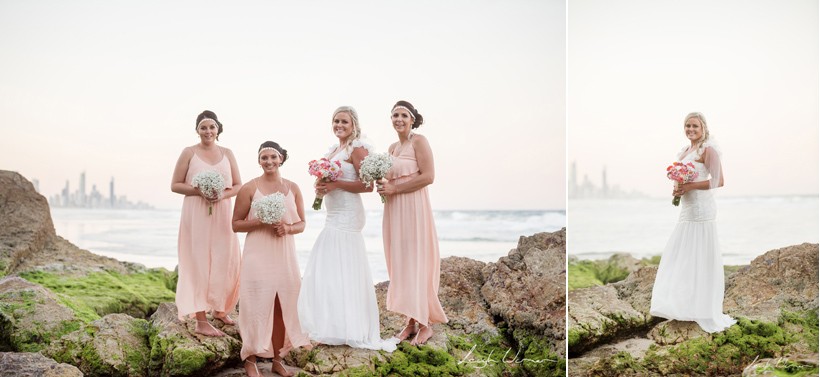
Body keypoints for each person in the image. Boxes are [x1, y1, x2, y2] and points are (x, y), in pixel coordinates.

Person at [298, 106, 397, 352]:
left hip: (348, 214)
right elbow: (332, 181)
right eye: (335, 121)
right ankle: (333, 326)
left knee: (338, 264)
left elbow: (366, 186)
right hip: (333, 213)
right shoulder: (333, 150)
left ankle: (350, 328)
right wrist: (321, 187)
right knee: (331, 268)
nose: (339, 125)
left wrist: (334, 185)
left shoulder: (357, 148)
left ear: (353, 124)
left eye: (344, 121)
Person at [649, 112, 736, 333]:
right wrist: (678, 187)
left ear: (703, 127)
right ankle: (684, 305)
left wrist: (690, 187)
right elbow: (687, 178)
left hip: (701, 210)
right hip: (687, 208)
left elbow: (720, 181)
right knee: (684, 255)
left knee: (699, 255)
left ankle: (703, 308)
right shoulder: (685, 151)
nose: (691, 129)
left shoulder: (708, 150)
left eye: (695, 126)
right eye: (687, 126)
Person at [233, 141, 310, 377]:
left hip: (284, 254)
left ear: (281, 159)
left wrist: (287, 228)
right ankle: (250, 359)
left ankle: (277, 360)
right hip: (257, 253)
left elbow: (302, 223)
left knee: (282, 305)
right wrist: (259, 221)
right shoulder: (249, 188)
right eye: (264, 158)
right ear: (259, 161)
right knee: (255, 305)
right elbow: (236, 224)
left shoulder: (293, 188)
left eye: (273, 157)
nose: (269, 162)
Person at [377, 100, 448, 345]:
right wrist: (382, 186)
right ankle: (410, 321)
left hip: (414, 209)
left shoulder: (419, 141)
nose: (398, 119)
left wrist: (395, 187)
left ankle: (425, 324)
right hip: (394, 211)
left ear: (412, 119)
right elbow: (387, 181)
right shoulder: (392, 148)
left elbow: (428, 176)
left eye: (403, 115)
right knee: (401, 262)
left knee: (417, 260)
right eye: (394, 115)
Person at [171, 110, 241, 337]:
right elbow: (175, 185)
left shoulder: (228, 153)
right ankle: (201, 320)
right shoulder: (189, 152)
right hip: (196, 213)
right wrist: (199, 191)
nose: (208, 131)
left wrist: (221, 195)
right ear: (197, 130)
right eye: (203, 127)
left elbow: (239, 185)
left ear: (218, 129)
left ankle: (220, 309)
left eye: (211, 127)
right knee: (198, 262)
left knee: (225, 259)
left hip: (221, 212)